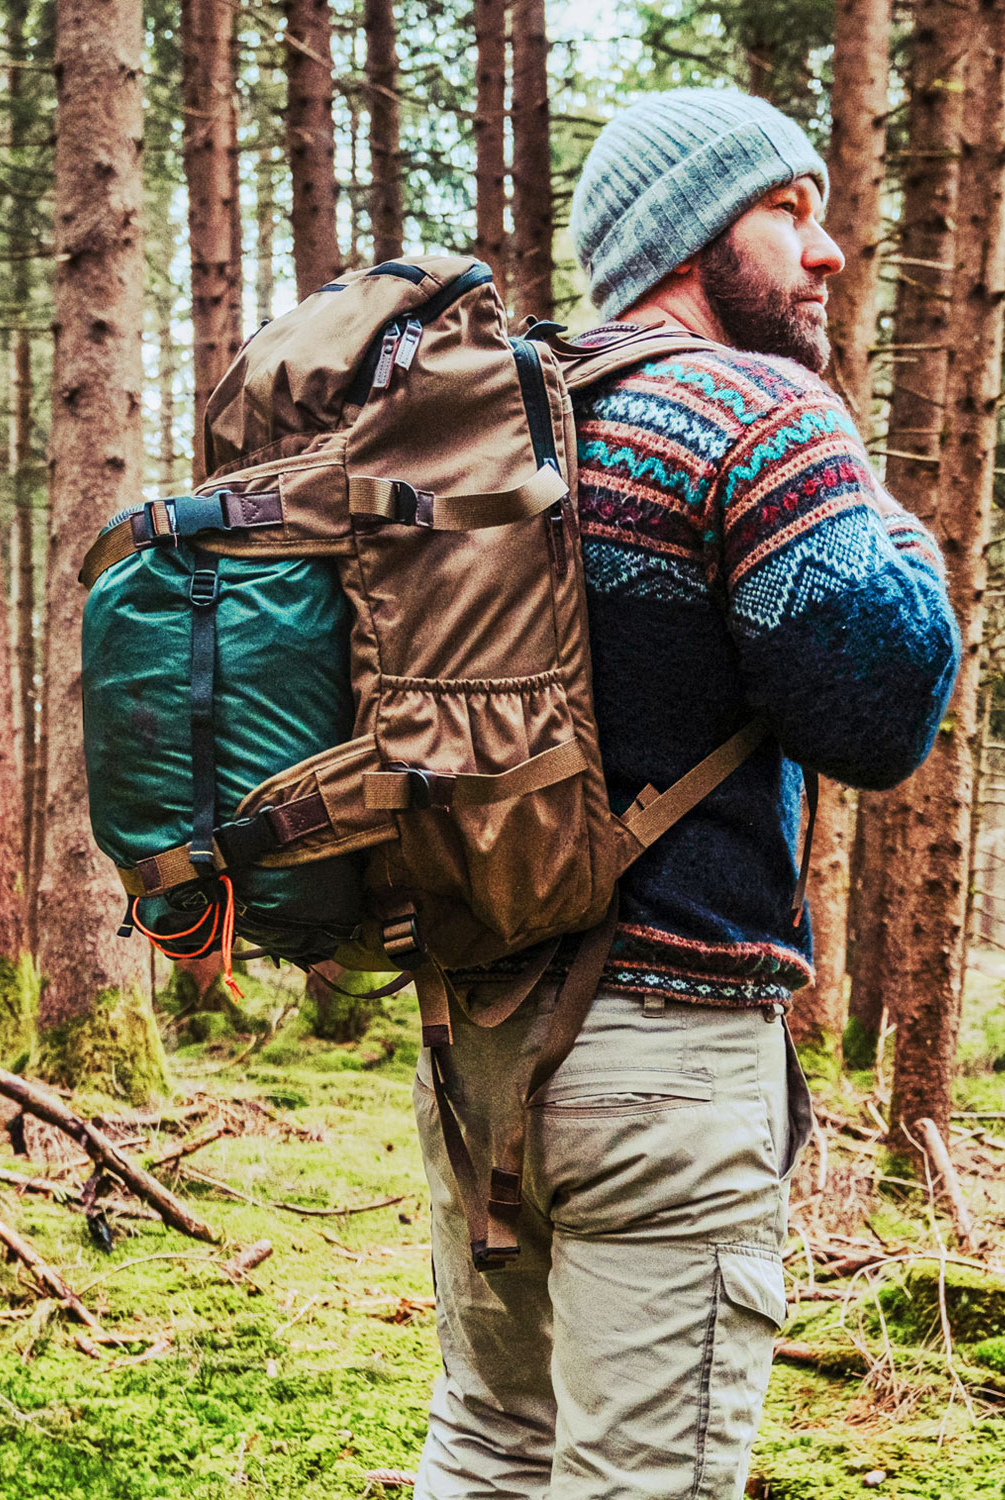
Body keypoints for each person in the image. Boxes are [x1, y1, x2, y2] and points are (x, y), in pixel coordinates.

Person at [412, 88, 961, 1499]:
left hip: (473, 1045)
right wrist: (864, 484)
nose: (827, 250)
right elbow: (879, 708)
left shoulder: (491, 421)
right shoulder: (757, 409)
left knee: (487, 1446)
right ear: (682, 237)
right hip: (666, 1048)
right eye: (786, 211)